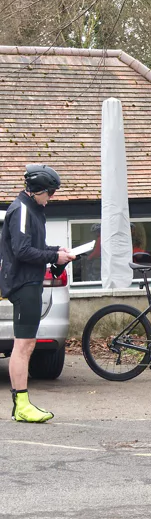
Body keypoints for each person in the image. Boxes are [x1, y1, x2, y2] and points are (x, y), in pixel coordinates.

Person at [1, 164, 73, 423]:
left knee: (27, 343)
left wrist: (58, 251)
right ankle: (21, 405)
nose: (51, 198)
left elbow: (35, 247)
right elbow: (22, 251)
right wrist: (54, 255)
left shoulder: (32, 209)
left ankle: (22, 403)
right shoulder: (21, 210)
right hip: (23, 284)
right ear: (36, 190)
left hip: (30, 282)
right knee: (22, 345)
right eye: (50, 193)